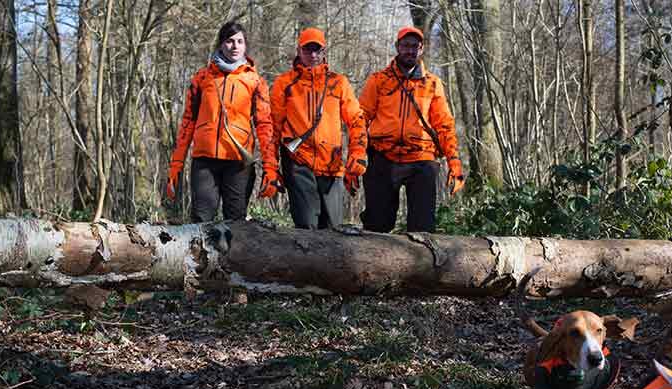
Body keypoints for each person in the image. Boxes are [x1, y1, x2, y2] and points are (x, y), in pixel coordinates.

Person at [166, 21, 280, 222]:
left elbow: (265, 126)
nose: (235, 46)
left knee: (235, 223)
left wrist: (270, 168)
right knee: (201, 221)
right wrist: (176, 165)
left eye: (240, 41)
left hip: (238, 162)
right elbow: (188, 122)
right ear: (220, 44)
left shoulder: (255, 81)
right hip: (204, 161)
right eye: (229, 41)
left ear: (245, 46)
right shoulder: (202, 78)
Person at [358, 26, 464, 233]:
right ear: (397, 47)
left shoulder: (432, 83)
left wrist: (454, 161)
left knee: (423, 227)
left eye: (415, 46)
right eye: (405, 45)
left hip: (421, 158)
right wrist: (357, 154)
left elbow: (444, 124)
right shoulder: (378, 80)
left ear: (421, 49)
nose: (410, 50)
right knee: (377, 224)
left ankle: (421, 264)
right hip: (383, 155)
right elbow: (360, 118)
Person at [270, 27, 367, 229]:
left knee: (333, 229)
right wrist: (271, 168)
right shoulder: (285, 84)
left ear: (324, 51)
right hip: (298, 163)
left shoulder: (338, 83)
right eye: (307, 49)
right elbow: (273, 128)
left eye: (317, 50)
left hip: (331, 164)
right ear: (299, 50)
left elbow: (356, 120)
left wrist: (357, 154)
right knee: (307, 228)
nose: (312, 55)